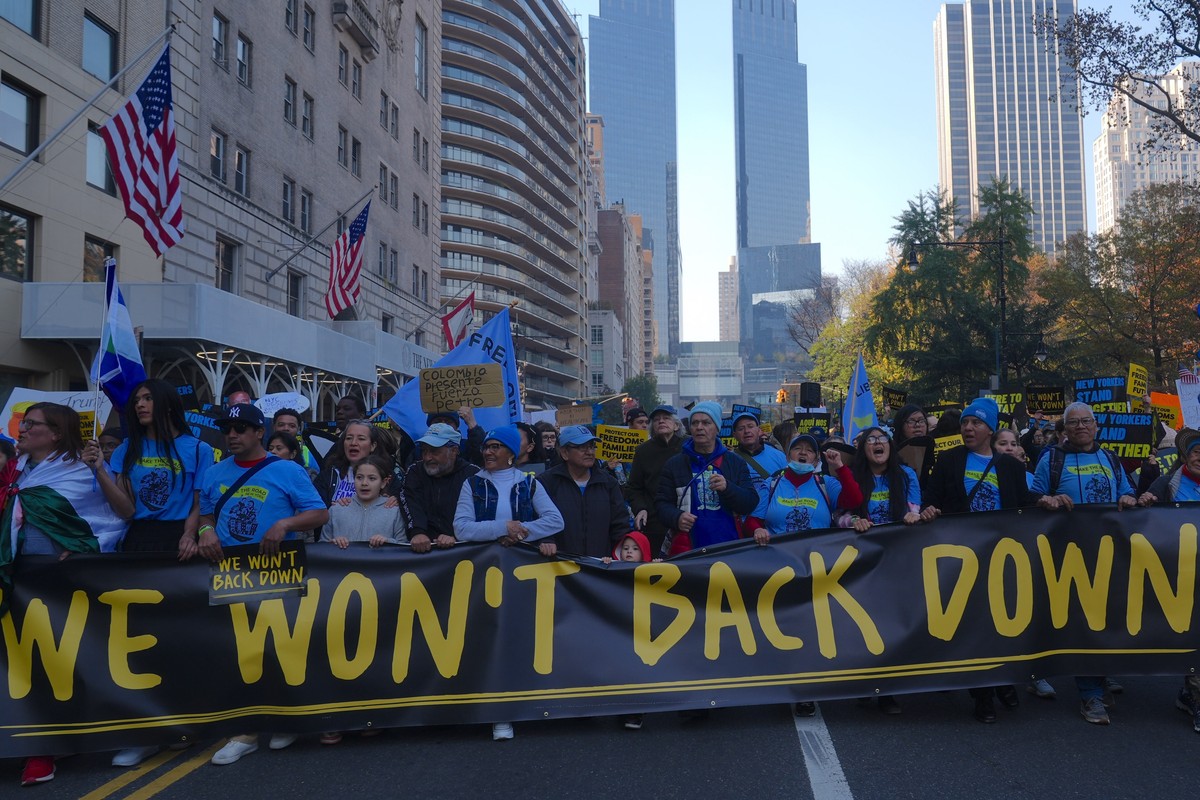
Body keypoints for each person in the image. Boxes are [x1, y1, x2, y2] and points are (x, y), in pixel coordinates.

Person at [1, 402, 127, 787]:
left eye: (31, 424)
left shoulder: (80, 470)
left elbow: (119, 516)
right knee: (16, 665)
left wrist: (100, 470)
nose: (21, 430)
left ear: (56, 433)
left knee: (51, 664)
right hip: (14, 578)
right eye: (23, 424)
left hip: (57, 582)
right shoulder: (16, 470)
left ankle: (45, 749)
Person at [198, 403, 329, 765]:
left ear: (260, 433)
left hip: (279, 569)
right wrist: (206, 530)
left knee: (282, 647)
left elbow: (319, 512)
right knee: (240, 652)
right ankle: (247, 730)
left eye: (241, 428)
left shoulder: (286, 470)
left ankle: (287, 718)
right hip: (232, 572)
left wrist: (286, 525)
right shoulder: (214, 472)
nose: (232, 435)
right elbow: (206, 510)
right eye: (228, 429)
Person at [923, 398, 1042, 724]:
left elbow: (1023, 500)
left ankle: (1002, 681)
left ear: (990, 428)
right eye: (965, 422)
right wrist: (929, 510)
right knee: (974, 629)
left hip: (1003, 558)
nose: (968, 428)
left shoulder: (1011, 466)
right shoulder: (948, 461)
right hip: (964, 561)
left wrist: (1046, 499)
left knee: (1002, 627)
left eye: (975, 422)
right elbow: (930, 499)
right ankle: (983, 695)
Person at [453, 424, 564, 741]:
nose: (488, 452)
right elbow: (462, 529)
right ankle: (498, 714)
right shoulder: (471, 484)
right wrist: (503, 527)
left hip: (521, 572)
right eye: (487, 447)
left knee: (520, 639)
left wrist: (518, 533)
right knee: (487, 640)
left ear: (512, 454)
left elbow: (555, 520)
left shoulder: (529, 484)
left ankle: (525, 704)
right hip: (482, 573)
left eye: (496, 447)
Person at [1034, 401, 1137, 726]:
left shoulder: (1109, 458)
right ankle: (1089, 694)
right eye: (1073, 423)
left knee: (1107, 619)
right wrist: (1046, 500)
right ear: (1064, 429)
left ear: (1096, 426)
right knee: (1082, 622)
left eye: (1086, 422)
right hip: (1070, 555)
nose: (1080, 427)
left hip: (1110, 552)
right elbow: (1033, 497)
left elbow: (1127, 491)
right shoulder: (1051, 459)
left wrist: (1129, 498)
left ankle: (1101, 675)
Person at [84, 379, 215, 558]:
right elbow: (127, 511)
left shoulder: (200, 450)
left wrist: (189, 535)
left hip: (180, 538)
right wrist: (98, 470)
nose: (140, 405)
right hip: (137, 538)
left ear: (168, 405)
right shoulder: (126, 449)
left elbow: (198, 503)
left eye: (148, 398)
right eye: (137, 401)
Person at [843, 426, 921, 715]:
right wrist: (853, 521)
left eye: (882, 439)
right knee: (862, 627)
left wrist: (913, 515)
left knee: (890, 628)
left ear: (891, 445)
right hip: (861, 563)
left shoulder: (907, 475)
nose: (877, 443)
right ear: (863, 449)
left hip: (896, 561)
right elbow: (839, 516)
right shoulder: (853, 478)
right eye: (871, 440)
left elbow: (913, 508)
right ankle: (864, 682)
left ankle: (888, 690)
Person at [1137, 427, 1200, 735]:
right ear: (1186, 456)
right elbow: (1142, 517)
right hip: (1176, 576)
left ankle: (1193, 694)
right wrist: (1147, 499)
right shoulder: (1167, 483)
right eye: (1197, 451)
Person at [655, 401, 758, 555]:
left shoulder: (735, 462)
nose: (699, 427)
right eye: (695, 423)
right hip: (688, 550)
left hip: (729, 547)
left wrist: (728, 488)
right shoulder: (675, 464)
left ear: (717, 428)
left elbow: (750, 502)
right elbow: (661, 504)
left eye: (706, 422)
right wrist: (676, 517)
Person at [536, 425, 628, 558]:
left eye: (591, 446)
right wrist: (546, 540)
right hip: (559, 568)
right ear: (564, 453)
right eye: (582, 447)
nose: (590, 452)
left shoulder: (609, 483)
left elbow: (620, 525)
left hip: (600, 568)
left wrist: (620, 553)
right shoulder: (546, 482)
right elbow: (537, 519)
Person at [401, 423, 478, 553]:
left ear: (454, 451)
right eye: (424, 451)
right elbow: (410, 502)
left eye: (434, 451)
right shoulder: (415, 471)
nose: (427, 457)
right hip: (421, 549)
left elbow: (479, 515)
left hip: (464, 551)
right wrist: (417, 532)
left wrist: (456, 536)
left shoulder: (473, 475)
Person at [625, 405, 684, 556]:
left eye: (666, 418)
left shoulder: (689, 446)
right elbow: (634, 487)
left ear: (676, 425)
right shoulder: (643, 451)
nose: (661, 422)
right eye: (657, 420)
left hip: (686, 519)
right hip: (654, 521)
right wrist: (641, 508)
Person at [321, 455, 406, 549]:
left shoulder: (394, 511)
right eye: (359, 477)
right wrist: (332, 543)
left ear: (383, 482)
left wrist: (388, 542)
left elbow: (403, 546)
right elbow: (321, 547)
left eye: (372, 478)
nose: (364, 483)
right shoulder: (336, 509)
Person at [314, 420, 387, 507]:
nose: (353, 443)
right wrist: (333, 510)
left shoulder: (386, 474)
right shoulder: (328, 475)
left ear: (373, 446)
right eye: (349, 438)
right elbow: (315, 509)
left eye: (361, 439)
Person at [731, 409, 787, 504]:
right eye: (741, 428)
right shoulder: (729, 460)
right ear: (734, 435)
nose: (747, 431)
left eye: (750, 426)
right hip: (744, 517)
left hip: (772, 516)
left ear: (758, 430)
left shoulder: (779, 456)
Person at [272, 408, 318, 472]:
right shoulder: (262, 451)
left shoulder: (307, 452)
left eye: (292, 426)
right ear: (273, 427)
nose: (286, 428)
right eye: (281, 425)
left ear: (298, 429)